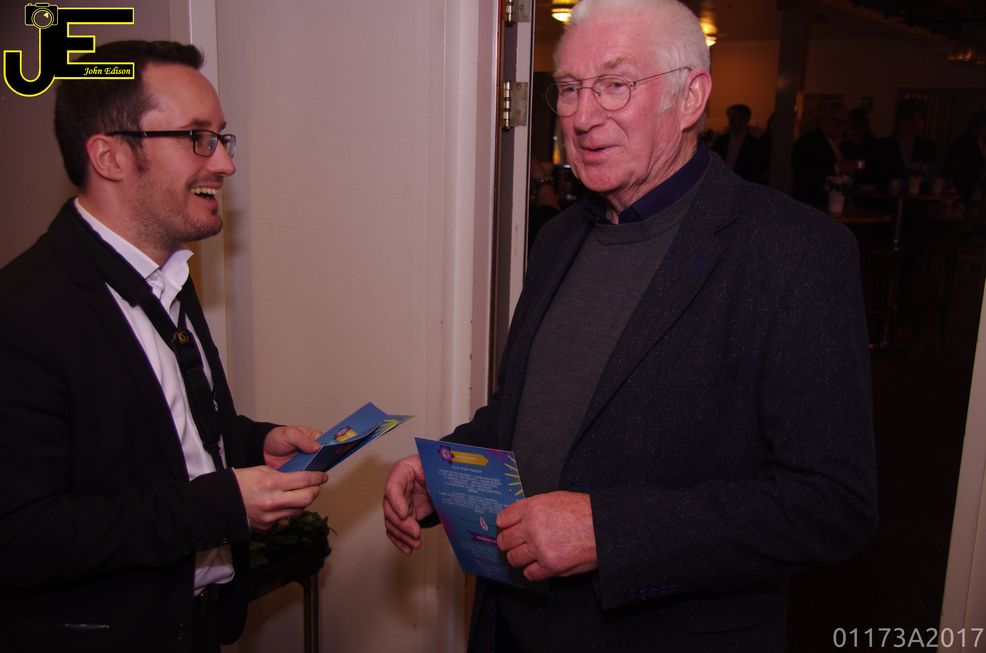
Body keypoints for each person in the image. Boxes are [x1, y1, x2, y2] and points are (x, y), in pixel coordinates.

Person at [383, 1, 877, 651]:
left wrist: (607, 532)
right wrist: (448, 471)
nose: (582, 117)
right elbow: (526, 416)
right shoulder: (559, 238)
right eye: (569, 88)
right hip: (514, 624)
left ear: (690, 96)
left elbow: (831, 502)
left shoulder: (793, 252)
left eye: (615, 85)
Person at [0, 41, 329, 653]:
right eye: (197, 137)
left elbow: (156, 434)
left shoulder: (168, 273)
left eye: (221, 138)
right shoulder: (24, 310)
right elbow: (21, 534)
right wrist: (219, 506)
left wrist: (251, 443)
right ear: (110, 155)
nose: (224, 164)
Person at [791, 101, 859, 208]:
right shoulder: (808, 142)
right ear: (824, 119)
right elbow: (806, 174)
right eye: (835, 120)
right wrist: (837, 168)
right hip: (814, 205)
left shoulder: (844, 145)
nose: (839, 125)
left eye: (843, 122)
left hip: (837, 206)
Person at [866, 98, 937, 191]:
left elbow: (931, 177)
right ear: (900, 120)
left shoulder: (927, 146)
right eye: (911, 119)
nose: (916, 124)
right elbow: (875, 177)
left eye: (919, 120)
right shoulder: (882, 146)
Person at [712, 103, 768, 183]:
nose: (731, 121)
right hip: (722, 181)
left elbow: (757, 167)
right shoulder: (722, 140)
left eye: (734, 118)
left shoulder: (754, 144)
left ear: (745, 119)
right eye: (730, 118)